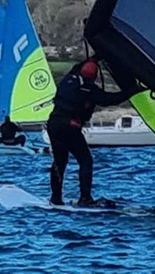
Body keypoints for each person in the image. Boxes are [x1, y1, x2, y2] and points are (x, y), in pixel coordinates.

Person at [46, 57, 140, 207]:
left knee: (59, 162)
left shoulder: (69, 78)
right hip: (69, 127)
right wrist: (133, 91)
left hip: (54, 124)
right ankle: (85, 198)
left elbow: (78, 65)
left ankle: (55, 198)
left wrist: (95, 58)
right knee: (85, 160)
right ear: (93, 78)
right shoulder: (89, 90)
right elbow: (111, 99)